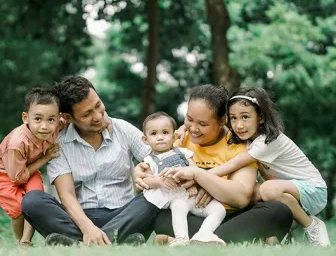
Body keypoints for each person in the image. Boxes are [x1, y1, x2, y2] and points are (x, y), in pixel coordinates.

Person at [135, 84, 293, 245]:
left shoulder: (239, 144)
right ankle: (220, 240)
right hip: (189, 214)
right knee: (161, 215)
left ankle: (192, 240)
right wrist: (140, 173)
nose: (193, 129)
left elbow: (241, 198)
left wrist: (201, 178)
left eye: (203, 124)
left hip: (230, 216)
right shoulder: (179, 139)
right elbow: (154, 173)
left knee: (279, 211)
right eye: (189, 119)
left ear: (222, 121)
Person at [21, 76, 161, 247]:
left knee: (157, 193)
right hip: (79, 219)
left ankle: (79, 245)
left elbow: (160, 156)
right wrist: (88, 228)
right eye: (87, 114)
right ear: (68, 117)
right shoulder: (59, 144)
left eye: (98, 105)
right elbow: (67, 196)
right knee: (32, 200)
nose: (98, 116)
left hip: (124, 215)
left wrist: (144, 170)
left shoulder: (122, 129)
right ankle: (116, 242)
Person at [205, 86, 329, 246]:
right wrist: (183, 128)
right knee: (243, 191)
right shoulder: (248, 137)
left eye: (245, 117)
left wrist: (203, 177)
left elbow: (234, 164)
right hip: (286, 192)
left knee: (267, 189)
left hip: (314, 190)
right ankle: (280, 232)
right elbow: (214, 127)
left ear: (261, 117)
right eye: (233, 118)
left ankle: (312, 225)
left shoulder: (269, 140)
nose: (238, 125)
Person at [0, 88, 64, 246]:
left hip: (28, 168)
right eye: (37, 119)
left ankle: (26, 240)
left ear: (58, 119)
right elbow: (17, 178)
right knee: (18, 210)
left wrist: (105, 124)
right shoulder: (17, 143)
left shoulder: (57, 125)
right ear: (25, 118)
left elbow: (75, 119)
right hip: (4, 174)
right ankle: (19, 242)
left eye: (51, 120)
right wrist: (46, 157)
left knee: (35, 200)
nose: (44, 126)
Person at [141, 111, 226, 246]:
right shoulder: (149, 160)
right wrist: (159, 181)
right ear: (145, 140)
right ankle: (182, 238)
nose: (160, 137)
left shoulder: (183, 152)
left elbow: (195, 171)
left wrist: (193, 185)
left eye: (165, 132)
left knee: (219, 210)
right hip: (176, 198)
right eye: (153, 134)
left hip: (193, 196)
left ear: (174, 136)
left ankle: (204, 233)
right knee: (178, 209)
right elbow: (145, 181)